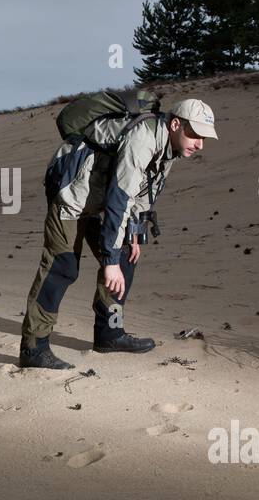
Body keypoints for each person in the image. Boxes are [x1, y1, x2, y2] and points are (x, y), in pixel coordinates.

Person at [19, 98, 217, 369]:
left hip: (98, 199)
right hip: (72, 195)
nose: (200, 144)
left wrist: (133, 234)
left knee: (126, 255)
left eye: (204, 138)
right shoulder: (143, 139)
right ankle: (33, 348)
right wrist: (109, 262)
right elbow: (120, 198)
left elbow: (144, 193)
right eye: (195, 135)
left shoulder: (169, 148)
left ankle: (108, 334)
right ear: (175, 125)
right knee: (62, 266)